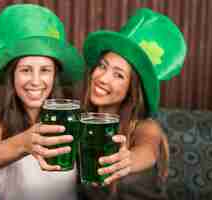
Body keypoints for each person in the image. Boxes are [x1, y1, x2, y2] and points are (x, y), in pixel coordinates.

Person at [0, 4, 84, 200]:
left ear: (54, 76)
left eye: (45, 70)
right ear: (12, 77)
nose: (35, 81)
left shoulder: (72, 122)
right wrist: (25, 143)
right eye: (26, 70)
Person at [80, 8, 187, 199]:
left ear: (132, 89)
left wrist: (128, 160)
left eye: (118, 75)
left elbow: (149, 150)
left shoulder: (145, 126)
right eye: (102, 66)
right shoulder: (82, 120)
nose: (102, 78)